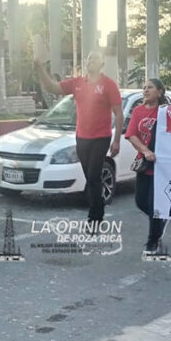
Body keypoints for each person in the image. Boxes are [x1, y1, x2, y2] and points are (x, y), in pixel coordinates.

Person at [35, 51, 123, 227]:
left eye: (95, 58)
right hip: (82, 137)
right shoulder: (77, 83)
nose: (91, 61)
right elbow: (52, 87)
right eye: (89, 58)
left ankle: (95, 216)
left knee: (93, 176)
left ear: (101, 64)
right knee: (90, 178)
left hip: (101, 137)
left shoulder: (108, 85)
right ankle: (97, 209)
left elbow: (119, 114)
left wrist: (117, 140)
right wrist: (40, 68)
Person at [126, 79, 170, 254]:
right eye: (144, 87)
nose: (145, 90)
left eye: (150, 87)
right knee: (140, 202)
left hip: (162, 166)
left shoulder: (166, 112)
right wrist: (145, 151)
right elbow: (131, 135)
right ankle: (160, 221)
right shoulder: (138, 111)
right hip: (144, 164)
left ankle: (152, 241)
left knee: (153, 205)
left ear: (159, 92)